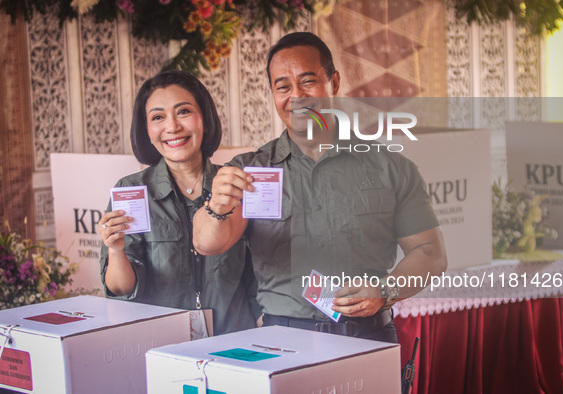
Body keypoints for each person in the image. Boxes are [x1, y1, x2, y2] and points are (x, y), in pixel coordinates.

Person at [193, 32, 447, 343]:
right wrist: (216, 207)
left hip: (369, 337)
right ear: (273, 94)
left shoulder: (391, 168)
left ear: (334, 83)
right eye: (283, 86)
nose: (296, 96)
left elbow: (430, 252)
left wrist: (385, 291)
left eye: (308, 81)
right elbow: (207, 244)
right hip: (284, 340)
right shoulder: (249, 171)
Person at [98, 70, 259, 335]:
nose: (172, 127)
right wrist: (115, 250)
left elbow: (258, 275)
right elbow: (121, 290)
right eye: (158, 117)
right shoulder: (132, 190)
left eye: (183, 112)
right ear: (147, 130)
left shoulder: (234, 185)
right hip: (163, 346)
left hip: (236, 344)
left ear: (204, 119)